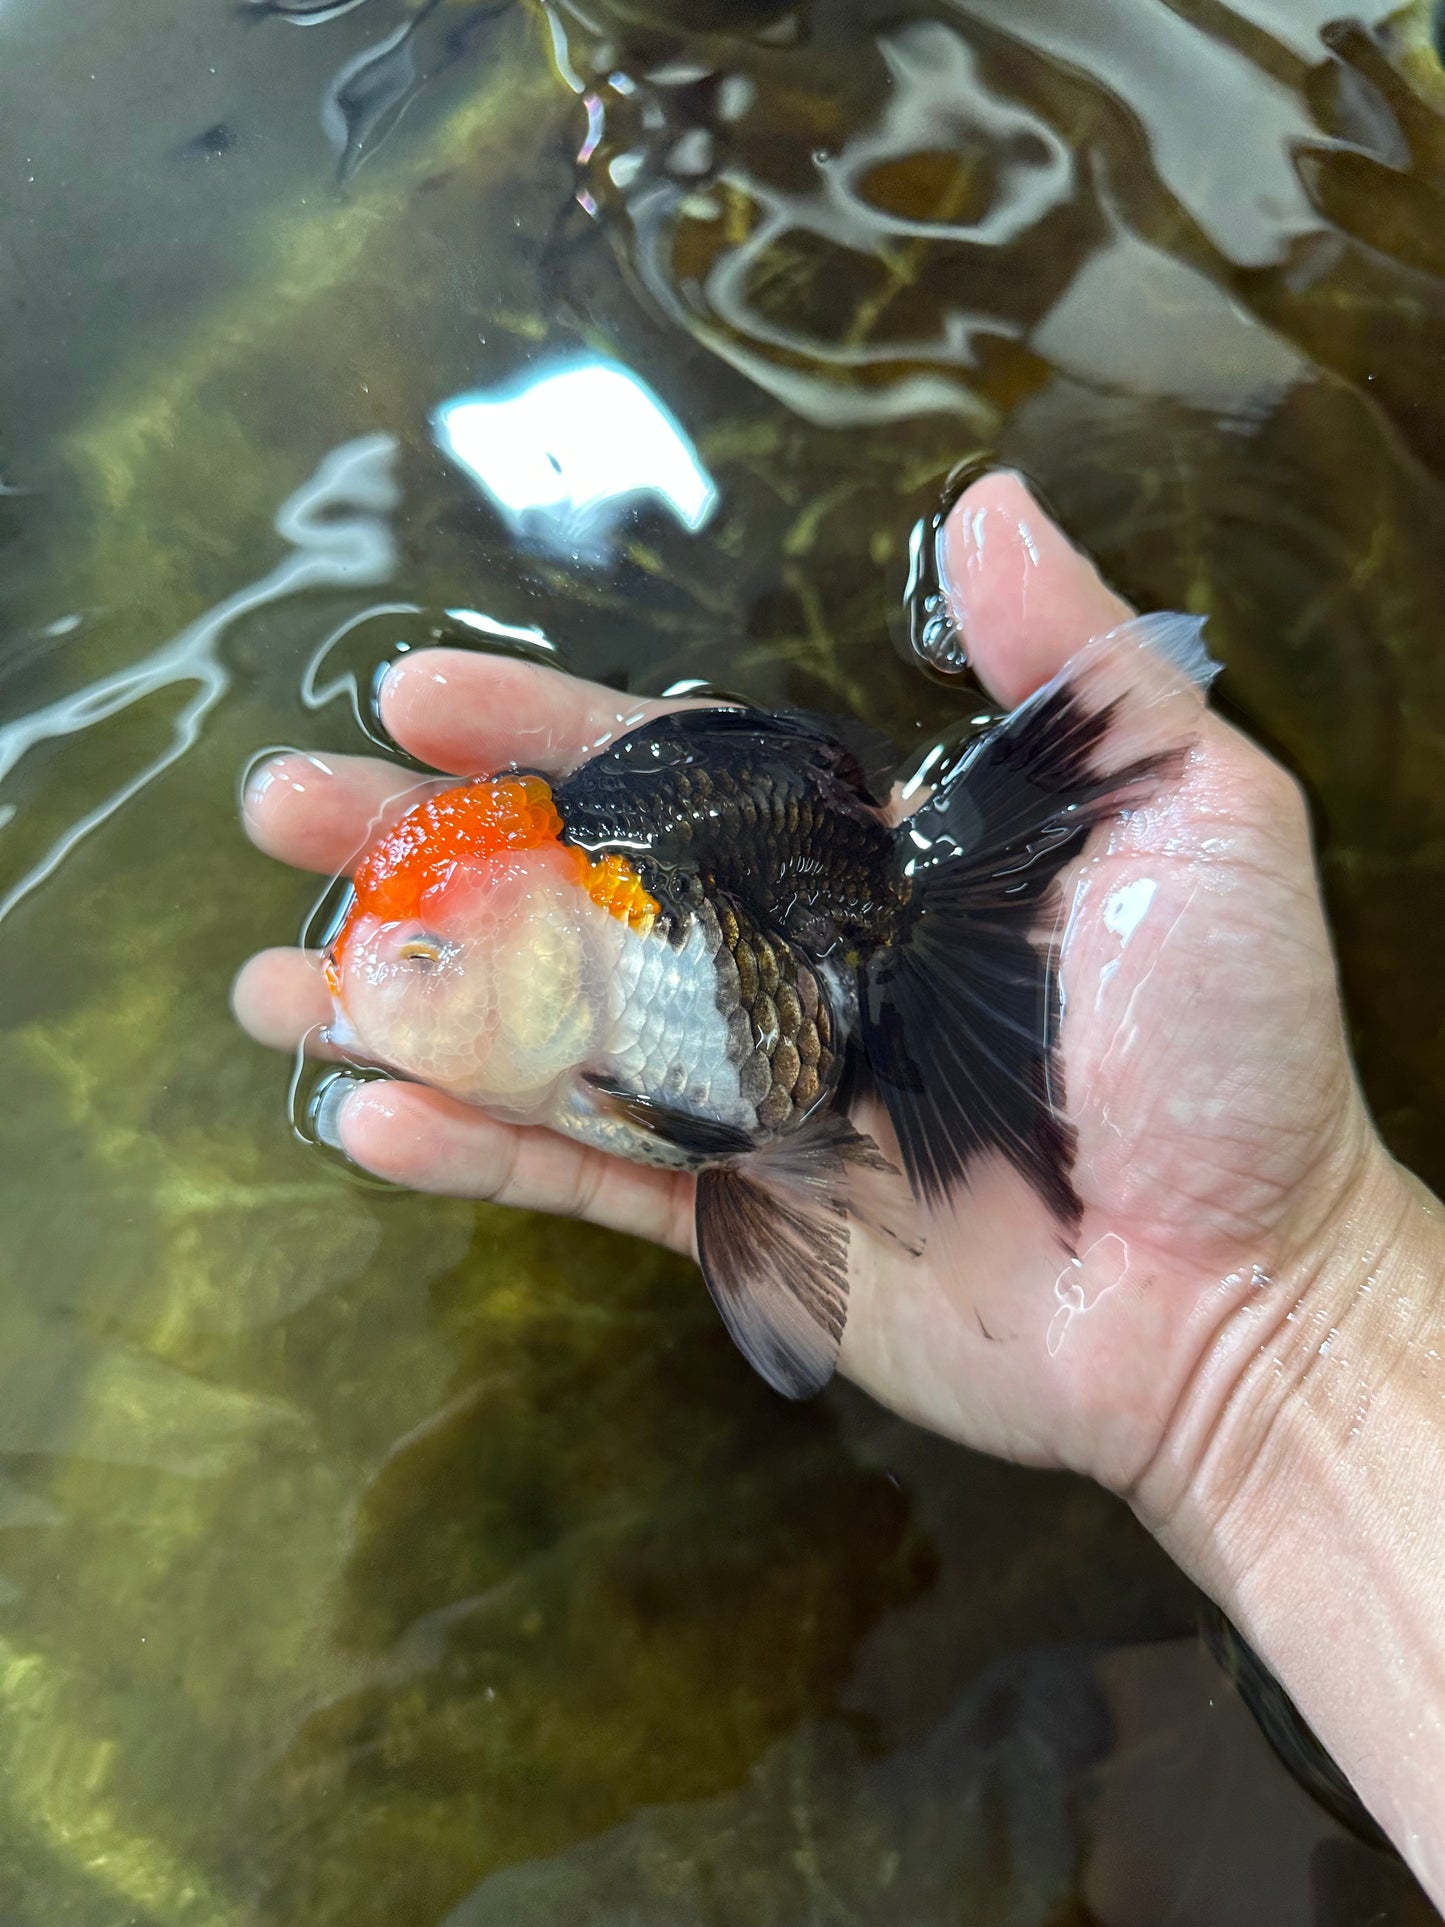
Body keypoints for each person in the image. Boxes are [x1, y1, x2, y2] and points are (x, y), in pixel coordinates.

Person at [233, 471, 1445, 1901]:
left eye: (425, 959)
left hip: (812, 973)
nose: (373, 986)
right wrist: (1284, 1329)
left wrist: (1279, 1298)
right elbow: (741, 1151)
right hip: (778, 1049)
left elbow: (739, 1106)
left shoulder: (628, 977)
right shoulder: (584, 1006)